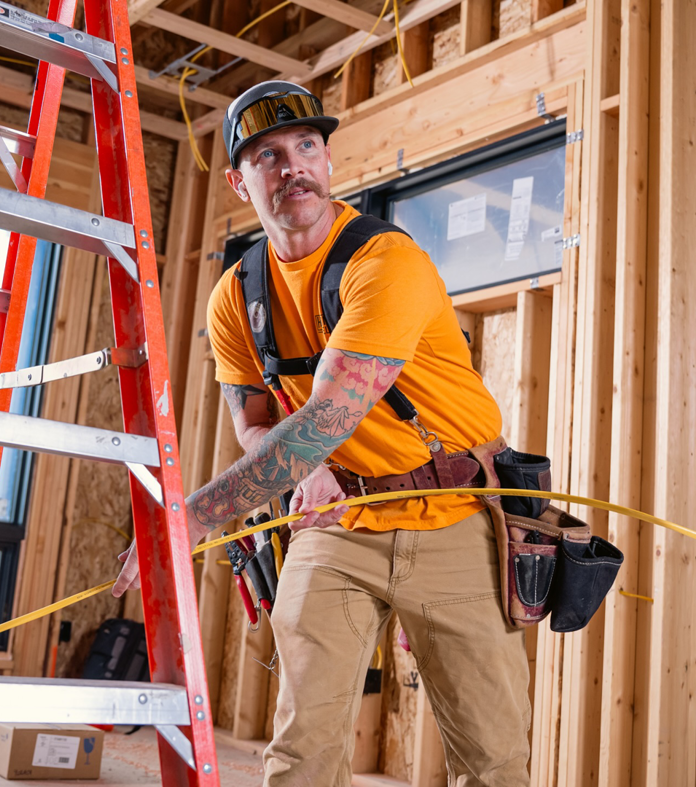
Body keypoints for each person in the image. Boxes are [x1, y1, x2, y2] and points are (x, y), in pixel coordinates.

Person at [114, 80, 531, 786]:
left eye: (306, 146)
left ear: (328, 161)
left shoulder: (383, 260)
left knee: (492, 757)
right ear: (239, 183)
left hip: (452, 515)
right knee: (300, 751)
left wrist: (190, 519)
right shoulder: (235, 297)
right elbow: (254, 420)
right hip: (333, 528)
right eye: (268, 156)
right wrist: (307, 472)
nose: (291, 167)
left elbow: (328, 416)